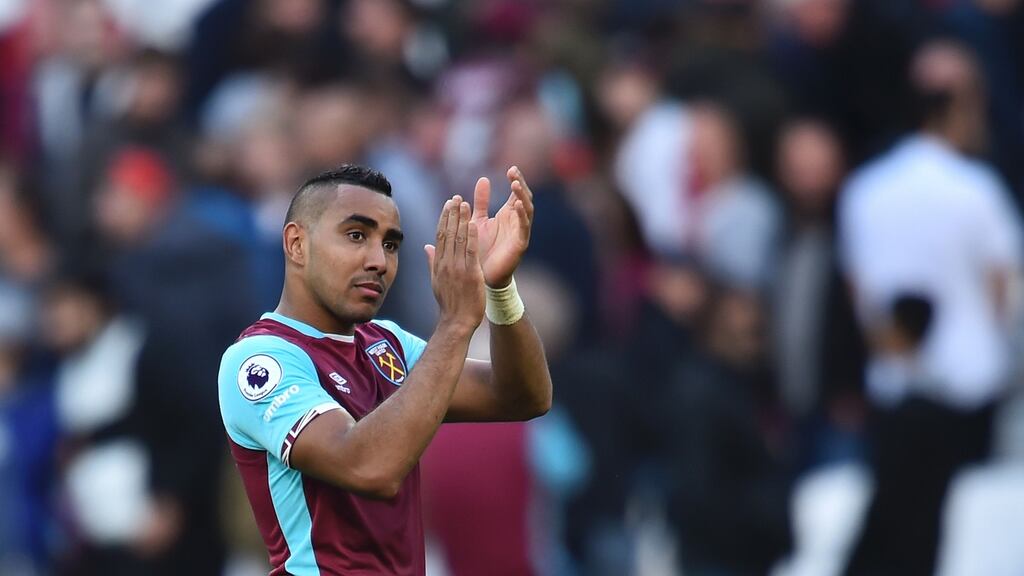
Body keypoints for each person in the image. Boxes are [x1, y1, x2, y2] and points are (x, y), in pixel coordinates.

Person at [218, 164, 552, 575]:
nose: (378, 260)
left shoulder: (386, 344)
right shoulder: (260, 359)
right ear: (297, 244)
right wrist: (454, 324)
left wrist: (499, 289)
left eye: (390, 244)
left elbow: (523, 395)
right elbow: (368, 467)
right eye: (356, 235)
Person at [838, 39, 1022, 576]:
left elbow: (859, 292)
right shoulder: (976, 190)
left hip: (897, 384)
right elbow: (1001, 288)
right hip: (968, 392)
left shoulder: (865, 189)